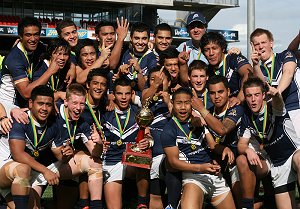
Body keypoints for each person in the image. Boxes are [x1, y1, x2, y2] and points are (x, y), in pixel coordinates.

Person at [161, 87, 236, 209]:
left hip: (213, 175)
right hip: (193, 178)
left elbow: (212, 145)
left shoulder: (199, 122)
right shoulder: (169, 130)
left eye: (187, 103)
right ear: (172, 104)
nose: (183, 107)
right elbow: (173, 162)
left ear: (192, 104)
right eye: (179, 103)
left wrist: (224, 149)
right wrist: (201, 167)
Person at [237, 77, 300, 209]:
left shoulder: (273, 107)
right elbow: (241, 145)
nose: (253, 99)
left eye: (256, 95)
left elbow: (278, 102)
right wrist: (248, 150)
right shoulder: (247, 118)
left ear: (264, 95)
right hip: (278, 165)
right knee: (241, 159)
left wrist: (276, 93)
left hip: (294, 154)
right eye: (249, 96)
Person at [191, 75, 243, 208]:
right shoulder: (209, 113)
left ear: (229, 92)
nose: (217, 96)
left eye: (220, 92)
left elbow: (222, 129)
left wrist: (201, 109)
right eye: (213, 93)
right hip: (216, 159)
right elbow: (211, 144)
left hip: (236, 159)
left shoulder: (236, 108)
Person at [101, 78, 153, 209]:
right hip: (111, 162)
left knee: (142, 161)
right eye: (119, 94)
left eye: (127, 93)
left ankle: (142, 203)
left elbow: (148, 135)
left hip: (130, 161)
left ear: (132, 94)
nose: (123, 97)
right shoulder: (105, 113)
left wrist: (148, 141)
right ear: (113, 94)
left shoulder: (138, 113)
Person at [53, 83, 104, 209]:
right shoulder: (53, 113)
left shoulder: (82, 122)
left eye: (82, 104)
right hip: (38, 166)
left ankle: (96, 206)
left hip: (61, 164)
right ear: (65, 101)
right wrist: (15, 110)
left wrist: (99, 143)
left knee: (95, 162)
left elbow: (96, 153)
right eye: (74, 103)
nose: (78, 108)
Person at [250, 28, 300, 140]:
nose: (260, 46)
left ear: (271, 43)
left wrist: (278, 92)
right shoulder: (257, 68)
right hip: (275, 116)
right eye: (257, 44)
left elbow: (288, 72)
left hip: (295, 109)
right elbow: (261, 85)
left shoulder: (285, 55)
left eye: (263, 42)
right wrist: (256, 65)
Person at [0, 16, 52, 108]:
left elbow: (58, 50)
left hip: (24, 104)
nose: (33, 39)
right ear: (20, 36)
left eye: (36, 34)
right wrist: (50, 71)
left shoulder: (39, 47)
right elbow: (26, 93)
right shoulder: (14, 58)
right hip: (8, 105)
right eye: (28, 35)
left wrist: (71, 65)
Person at [75, 69, 109, 209]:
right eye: (95, 83)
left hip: (98, 150)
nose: (99, 87)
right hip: (75, 153)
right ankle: (84, 203)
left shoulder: (104, 104)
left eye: (103, 84)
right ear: (88, 85)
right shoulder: (80, 106)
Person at [142, 66, 172, 209]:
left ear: (170, 82)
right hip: (154, 155)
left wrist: (169, 102)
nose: (158, 82)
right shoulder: (148, 99)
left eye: (161, 79)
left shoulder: (178, 99)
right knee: (155, 195)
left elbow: (182, 118)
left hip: (173, 155)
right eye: (153, 79)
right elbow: (144, 99)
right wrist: (155, 85)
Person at [200, 32, 252, 103]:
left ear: (223, 49)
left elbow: (249, 73)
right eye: (207, 50)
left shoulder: (233, 58)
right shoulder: (208, 70)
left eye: (214, 48)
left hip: (241, 108)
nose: (211, 53)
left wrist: (239, 99)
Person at [118, 22, 157, 93]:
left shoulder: (152, 58)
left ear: (148, 39)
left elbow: (145, 90)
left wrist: (139, 71)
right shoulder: (126, 53)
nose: (140, 42)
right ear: (131, 38)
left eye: (144, 38)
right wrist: (120, 73)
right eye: (137, 38)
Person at [33, 38, 71, 103]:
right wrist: (58, 95)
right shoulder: (41, 68)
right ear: (50, 54)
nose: (62, 58)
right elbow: (37, 96)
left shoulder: (64, 69)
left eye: (65, 54)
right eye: (58, 54)